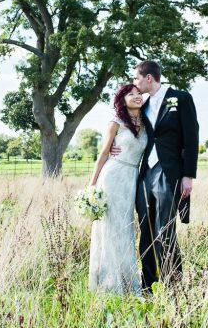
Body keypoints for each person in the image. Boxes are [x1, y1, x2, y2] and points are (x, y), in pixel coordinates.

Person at [113, 60, 199, 290]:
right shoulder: (143, 104)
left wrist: (188, 175)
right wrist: (115, 144)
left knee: (165, 230)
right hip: (145, 174)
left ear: (148, 78)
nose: (135, 83)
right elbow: (130, 131)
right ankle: (148, 284)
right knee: (146, 231)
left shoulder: (180, 98)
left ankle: (174, 285)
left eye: (136, 78)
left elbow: (192, 138)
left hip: (169, 172)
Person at [87, 84, 147, 294]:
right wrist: (92, 185)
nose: (137, 96)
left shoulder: (147, 121)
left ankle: (127, 280)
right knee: (111, 228)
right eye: (131, 94)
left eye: (139, 93)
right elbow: (103, 153)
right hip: (113, 176)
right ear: (122, 100)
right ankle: (109, 283)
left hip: (132, 178)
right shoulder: (116, 122)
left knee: (126, 229)